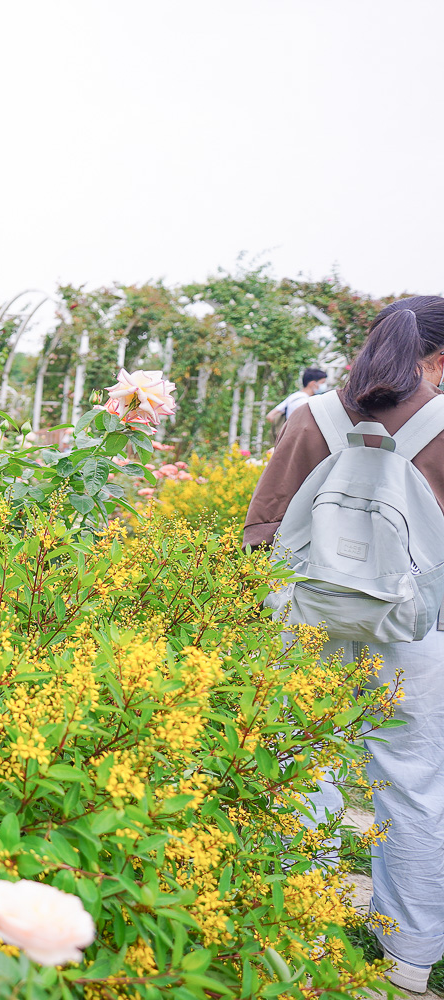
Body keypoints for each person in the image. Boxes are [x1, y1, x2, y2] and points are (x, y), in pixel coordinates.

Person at [245, 297, 444, 995]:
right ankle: (409, 961)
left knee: (302, 767)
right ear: (440, 358)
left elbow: (262, 527)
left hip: (308, 620)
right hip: (414, 632)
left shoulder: (316, 415)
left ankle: (297, 930)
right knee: (414, 787)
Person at [264, 366, 329, 426]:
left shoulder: (294, 396)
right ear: (312, 383)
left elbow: (270, 416)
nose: (324, 386)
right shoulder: (306, 401)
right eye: (322, 383)